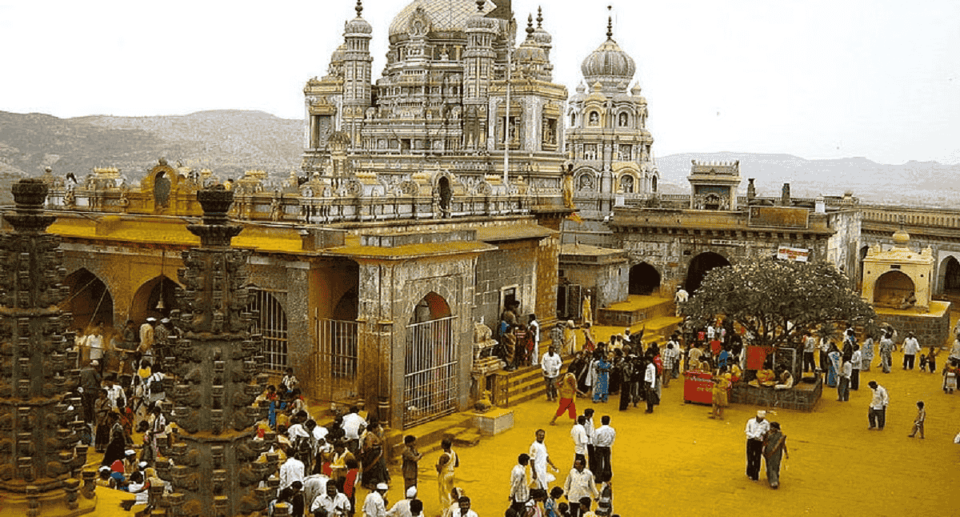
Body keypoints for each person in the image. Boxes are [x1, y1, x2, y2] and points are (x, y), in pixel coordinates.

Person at [360, 416, 390, 489]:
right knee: (373, 469)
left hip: (377, 454)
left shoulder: (375, 434)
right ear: (373, 428)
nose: (378, 429)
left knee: (379, 468)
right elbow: (369, 446)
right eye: (376, 428)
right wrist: (376, 446)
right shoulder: (370, 435)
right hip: (372, 456)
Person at [762, 422, 789, 489]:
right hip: (768, 451)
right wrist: (762, 450)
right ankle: (772, 479)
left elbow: (783, 444)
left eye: (772, 427)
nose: (771, 428)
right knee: (769, 465)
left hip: (777, 452)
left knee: (776, 465)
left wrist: (786, 453)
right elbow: (764, 442)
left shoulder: (780, 435)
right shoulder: (767, 433)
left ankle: (774, 480)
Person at [745, 410, 770, 481]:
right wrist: (753, 436)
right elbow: (747, 431)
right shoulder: (750, 421)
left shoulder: (766, 423)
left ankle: (755, 474)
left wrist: (762, 434)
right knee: (750, 457)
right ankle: (749, 471)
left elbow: (767, 432)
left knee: (757, 458)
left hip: (759, 442)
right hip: (751, 440)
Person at [436, 439, 459, 512]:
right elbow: (456, 464)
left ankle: (446, 509)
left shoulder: (443, 456)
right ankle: (453, 506)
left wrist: (437, 466)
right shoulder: (454, 453)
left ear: (443, 446)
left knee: (444, 493)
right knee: (451, 490)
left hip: (444, 475)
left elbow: (439, 469)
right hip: (452, 473)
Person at [593, 416, 615, 482]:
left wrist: (595, 445)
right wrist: (608, 444)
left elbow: (595, 440)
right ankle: (607, 476)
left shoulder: (598, 430)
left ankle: (599, 477)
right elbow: (612, 438)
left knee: (599, 462)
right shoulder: (612, 430)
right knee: (607, 461)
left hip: (599, 447)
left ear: (601, 421)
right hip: (607, 447)